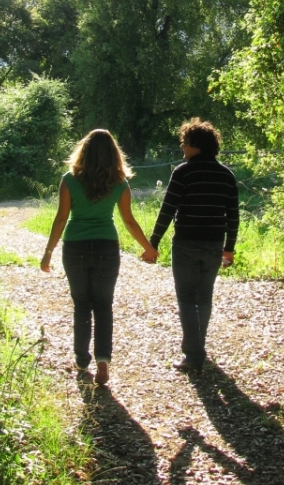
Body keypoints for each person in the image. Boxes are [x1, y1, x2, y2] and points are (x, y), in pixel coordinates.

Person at [40, 129, 158, 385]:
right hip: (107, 246)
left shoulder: (69, 180)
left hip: (75, 247)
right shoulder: (120, 183)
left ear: (84, 150)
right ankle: (103, 360)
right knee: (104, 305)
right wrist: (148, 247)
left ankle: (82, 360)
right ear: (114, 154)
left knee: (82, 304)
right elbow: (128, 220)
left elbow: (61, 218)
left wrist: (48, 252)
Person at [146, 118, 239, 372]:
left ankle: (193, 355)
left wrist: (153, 242)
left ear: (196, 145)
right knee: (204, 297)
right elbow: (232, 216)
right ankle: (199, 349)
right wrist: (229, 248)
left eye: (184, 143)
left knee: (187, 299)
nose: (182, 148)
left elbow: (167, 210)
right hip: (213, 244)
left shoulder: (182, 172)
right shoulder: (226, 175)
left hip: (186, 242)